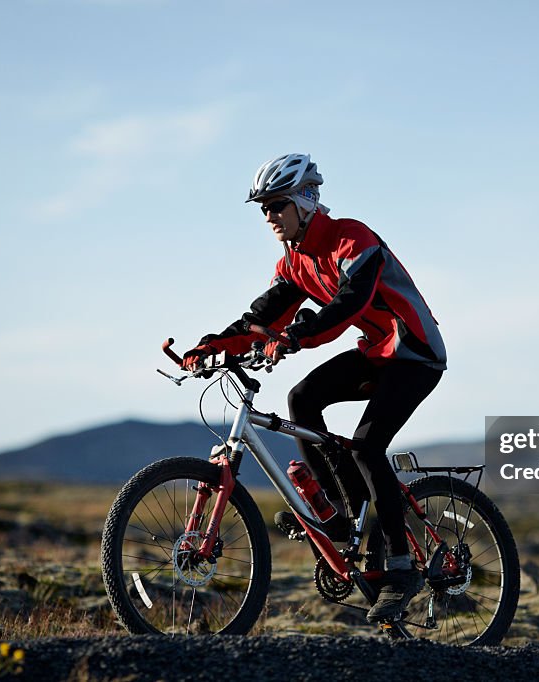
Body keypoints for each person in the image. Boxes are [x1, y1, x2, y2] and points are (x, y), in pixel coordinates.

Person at [181, 153, 447, 623]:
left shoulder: (351, 237)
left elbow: (350, 301)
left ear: (305, 201)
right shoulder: (294, 262)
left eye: (276, 205)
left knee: (367, 446)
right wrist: (211, 346)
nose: (268, 216)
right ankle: (342, 515)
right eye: (262, 208)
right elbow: (260, 318)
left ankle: (402, 566)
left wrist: (299, 336)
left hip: (416, 353)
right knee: (301, 399)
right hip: (376, 353)